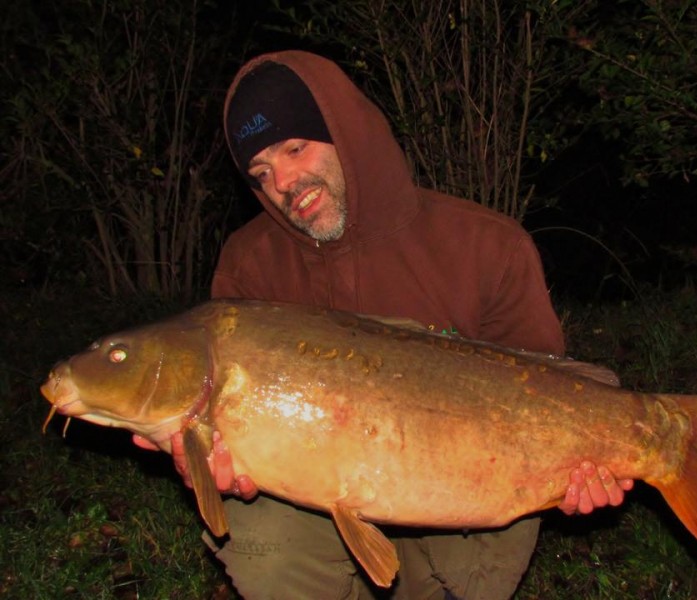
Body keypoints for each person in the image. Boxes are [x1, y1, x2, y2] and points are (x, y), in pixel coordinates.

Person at [134, 50, 632, 599]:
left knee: (490, 544)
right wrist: (211, 465)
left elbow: (551, 386)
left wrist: (582, 468)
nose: (283, 181)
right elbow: (232, 444)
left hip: (462, 496)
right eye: (260, 172)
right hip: (319, 512)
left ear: (346, 132)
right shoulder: (250, 265)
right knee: (260, 535)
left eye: (295, 148)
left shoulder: (488, 244)